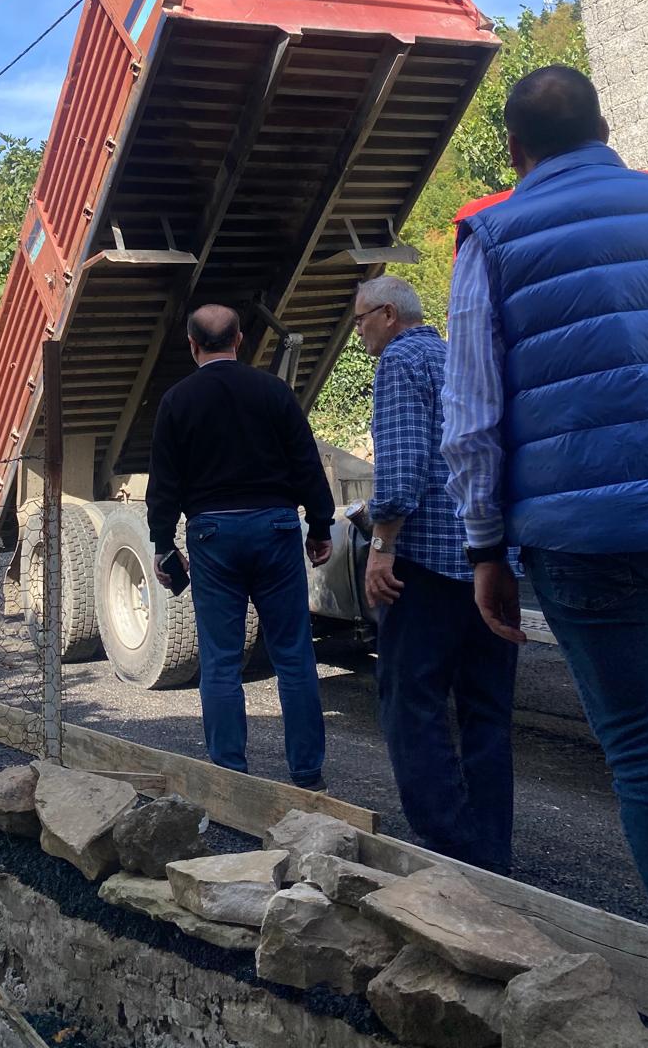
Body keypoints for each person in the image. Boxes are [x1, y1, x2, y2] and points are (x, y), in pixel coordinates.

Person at [442, 64, 648, 1048]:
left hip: (590, 547)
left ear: (515, 153)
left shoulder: (492, 235)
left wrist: (485, 545)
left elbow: (474, 418)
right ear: (607, 129)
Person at [355, 274, 517, 874]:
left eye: (361, 320)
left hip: (426, 565)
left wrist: (381, 545)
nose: (358, 332)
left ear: (389, 315)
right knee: (486, 709)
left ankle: (448, 845)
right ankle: (492, 851)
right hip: (488, 558)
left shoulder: (399, 361)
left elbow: (400, 470)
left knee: (409, 701)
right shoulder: (459, 358)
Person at [146, 303, 334, 790]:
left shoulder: (177, 401)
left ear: (192, 345)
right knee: (293, 655)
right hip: (274, 529)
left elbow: (164, 483)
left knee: (222, 659)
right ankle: (308, 775)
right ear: (241, 340)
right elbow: (305, 463)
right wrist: (319, 525)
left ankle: (231, 776)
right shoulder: (273, 392)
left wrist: (163, 545)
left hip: (213, 536)